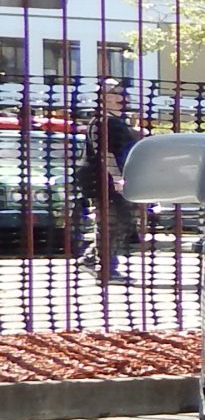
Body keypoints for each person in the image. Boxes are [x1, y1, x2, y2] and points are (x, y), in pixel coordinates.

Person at [75, 80, 141, 280]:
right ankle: (104, 268)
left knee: (120, 220)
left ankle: (91, 260)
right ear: (104, 97)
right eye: (117, 93)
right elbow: (106, 153)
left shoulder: (116, 121)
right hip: (101, 179)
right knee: (110, 221)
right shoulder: (103, 121)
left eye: (123, 93)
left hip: (111, 179)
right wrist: (118, 179)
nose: (123, 97)